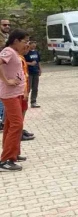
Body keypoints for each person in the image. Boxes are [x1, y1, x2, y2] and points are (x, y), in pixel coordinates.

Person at [0, 29, 29, 171]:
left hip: (16, 93)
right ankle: (5, 160)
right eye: (24, 41)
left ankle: (13, 153)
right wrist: (6, 80)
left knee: (10, 125)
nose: (26, 44)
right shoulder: (8, 51)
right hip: (10, 94)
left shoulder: (14, 52)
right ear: (16, 40)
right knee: (17, 124)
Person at [25, 40, 41, 109]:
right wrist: (30, 63)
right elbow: (23, 61)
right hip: (29, 72)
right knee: (28, 88)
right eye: (32, 43)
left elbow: (38, 61)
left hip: (35, 72)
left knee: (35, 88)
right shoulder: (26, 52)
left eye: (35, 43)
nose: (34, 45)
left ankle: (33, 102)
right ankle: (25, 102)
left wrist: (40, 69)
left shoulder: (36, 52)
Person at [0, 19, 10, 130]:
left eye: (8, 24)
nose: (7, 26)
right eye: (4, 24)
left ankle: (4, 121)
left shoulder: (8, 36)